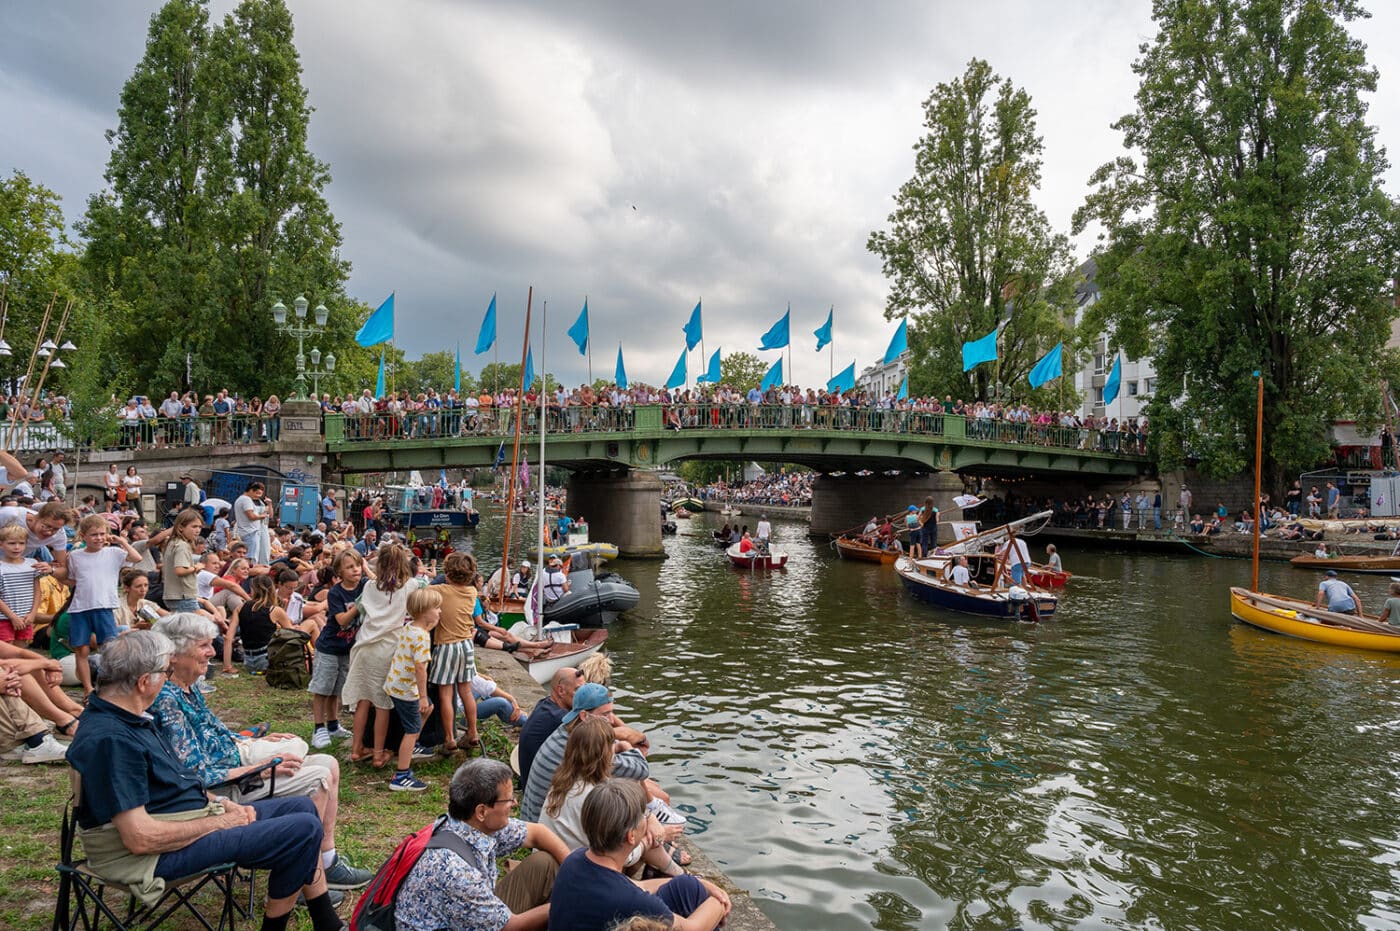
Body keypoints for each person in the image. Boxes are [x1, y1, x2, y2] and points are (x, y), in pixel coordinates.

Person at [65, 631, 346, 931]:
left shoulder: (126, 716)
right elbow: (140, 838)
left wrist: (221, 803)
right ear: (144, 681)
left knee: (303, 809)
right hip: (144, 856)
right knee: (300, 830)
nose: (168, 679)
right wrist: (221, 822)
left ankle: (326, 922)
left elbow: (179, 781)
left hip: (180, 817)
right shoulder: (113, 740)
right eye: (166, 673)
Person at [148, 614, 373, 890]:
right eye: (203, 645)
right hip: (221, 790)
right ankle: (305, 878)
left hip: (232, 771)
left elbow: (211, 733)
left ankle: (326, 860)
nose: (213, 651)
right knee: (320, 778)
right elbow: (195, 774)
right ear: (173, 654)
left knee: (328, 762)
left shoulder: (185, 688)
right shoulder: (166, 701)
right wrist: (260, 769)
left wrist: (245, 738)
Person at [395, 758, 570, 931]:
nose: (514, 803)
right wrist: (568, 902)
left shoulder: (465, 823)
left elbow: (538, 833)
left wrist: (576, 872)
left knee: (544, 864)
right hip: (491, 922)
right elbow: (509, 926)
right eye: (508, 799)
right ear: (481, 811)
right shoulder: (456, 872)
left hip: (471, 916)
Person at [548, 778, 729, 931]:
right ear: (631, 835)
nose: (647, 819)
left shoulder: (575, 860)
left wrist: (701, 882)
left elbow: (637, 886)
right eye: (644, 815)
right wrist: (719, 901)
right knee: (699, 900)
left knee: (687, 887)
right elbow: (692, 928)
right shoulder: (630, 903)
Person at [539, 718, 684, 877]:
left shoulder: (562, 783)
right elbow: (623, 857)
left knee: (638, 825)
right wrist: (651, 839)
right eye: (611, 745)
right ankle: (677, 873)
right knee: (640, 833)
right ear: (604, 753)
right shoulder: (595, 798)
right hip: (577, 874)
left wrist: (650, 818)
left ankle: (672, 870)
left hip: (551, 865)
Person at [521, 683, 653, 823]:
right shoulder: (584, 748)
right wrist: (626, 744)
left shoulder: (567, 729)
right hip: (547, 832)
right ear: (584, 715)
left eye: (611, 713)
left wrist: (618, 745)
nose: (611, 720)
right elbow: (641, 770)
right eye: (605, 714)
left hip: (538, 819)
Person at [343, 544, 424, 767]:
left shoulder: (369, 586)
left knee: (363, 701)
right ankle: (379, 753)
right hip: (388, 650)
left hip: (364, 647)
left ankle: (356, 748)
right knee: (382, 705)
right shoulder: (411, 586)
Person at [65, 515, 142, 695]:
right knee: (81, 649)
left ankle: (110, 685)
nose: (99, 538)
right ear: (83, 536)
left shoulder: (114, 553)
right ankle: (87, 688)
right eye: (94, 535)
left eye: (102, 534)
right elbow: (72, 579)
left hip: (104, 605)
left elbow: (136, 557)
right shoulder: (75, 556)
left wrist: (121, 541)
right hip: (80, 607)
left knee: (109, 648)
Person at [385, 587, 441, 792]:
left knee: (430, 709)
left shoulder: (410, 627)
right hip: (407, 690)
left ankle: (414, 746)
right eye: (436, 608)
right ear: (425, 611)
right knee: (412, 729)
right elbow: (420, 668)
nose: (440, 611)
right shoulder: (423, 638)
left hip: (395, 683)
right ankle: (401, 775)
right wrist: (423, 696)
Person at [428, 552, 484, 755]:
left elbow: (420, 591)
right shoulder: (472, 592)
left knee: (445, 694)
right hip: (466, 646)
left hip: (446, 646)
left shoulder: (440, 590)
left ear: (447, 574)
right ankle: (473, 731)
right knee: (466, 691)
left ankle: (449, 738)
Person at [309, 549, 364, 749]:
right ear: (339, 572)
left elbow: (379, 583)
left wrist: (366, 567)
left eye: (358, 565)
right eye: (349, 567)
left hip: (347, 648)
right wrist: (359, 605)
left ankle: (333, 724)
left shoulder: (365, 585)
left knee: (336, 689)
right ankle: (318, 728)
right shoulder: (336, 593)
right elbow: (341, 620)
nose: (355, 570)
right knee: (322, 688)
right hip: (329, 647)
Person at [519, 666, 583, 788]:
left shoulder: (545, 703)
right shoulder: (559, 718)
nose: (582, 695)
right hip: (542, 791)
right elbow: (601, 732)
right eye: (578, 690)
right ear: (561, 691)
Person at [0, 523, 41, 645]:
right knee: (6, 653)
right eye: (12, 543)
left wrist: (33, 614)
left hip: (26, 618)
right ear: (1, 544)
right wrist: (12, 617)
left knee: (21, 651)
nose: (17, 547)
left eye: (21, 543)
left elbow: (37, 591)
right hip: (4, 618)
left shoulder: (32, 564)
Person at [161, 509, 204, 613]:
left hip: (173, 595)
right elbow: (180, 570)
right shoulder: (182, 546)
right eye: (194, 526)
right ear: (180, 527)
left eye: (199, 527)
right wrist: (196, 567)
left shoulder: (172, 543)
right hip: (183, 596)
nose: (198, 530)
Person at [233, 481, 271, 566]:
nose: (258, 496)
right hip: (251, 533)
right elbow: (251, 516)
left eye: (260, 494)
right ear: (250, 490)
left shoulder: (240, 499)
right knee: (251, 559)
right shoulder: (246, 500)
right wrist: (262, 516)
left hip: (246, 532)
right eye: (257, 493)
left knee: (249, 557)